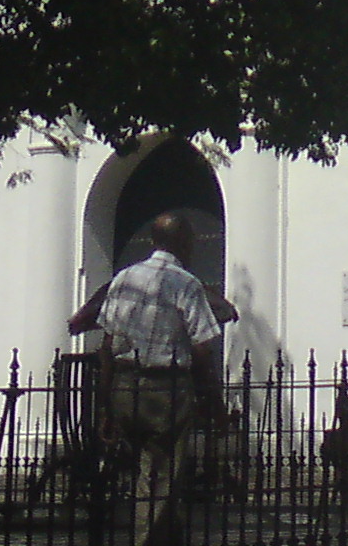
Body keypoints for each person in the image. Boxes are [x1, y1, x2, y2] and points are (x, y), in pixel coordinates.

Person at [70, 213, 224, 546]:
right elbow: (202, 350)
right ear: (182, 241)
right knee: (162, 478)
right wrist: (214, 398)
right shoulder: (185, 283)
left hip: (125, 386)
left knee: (147, 475)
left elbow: (107, 347)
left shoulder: (124, 279)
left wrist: (106, 405)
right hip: (164, 390)